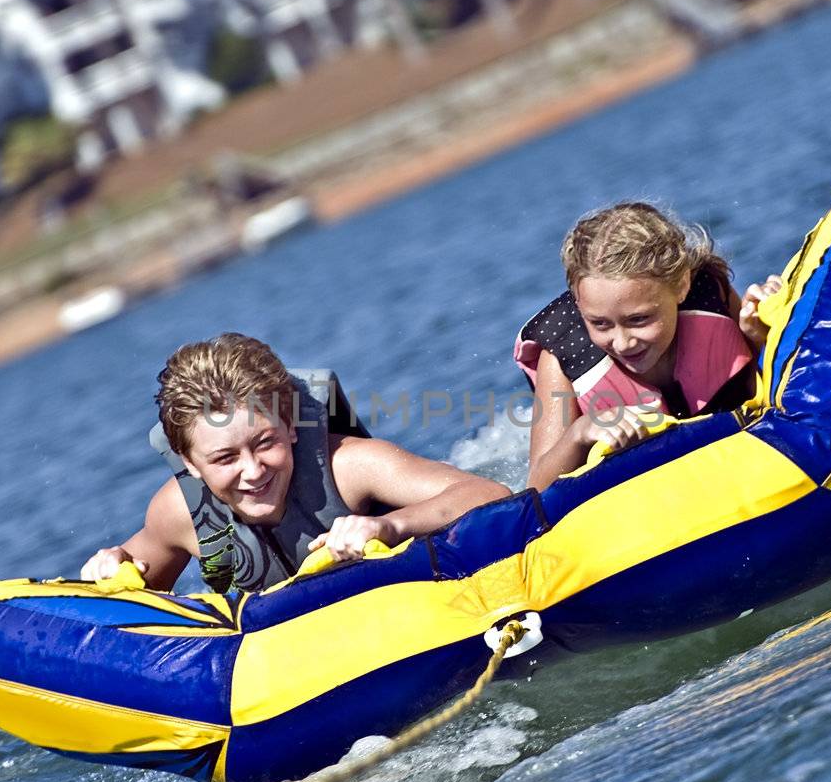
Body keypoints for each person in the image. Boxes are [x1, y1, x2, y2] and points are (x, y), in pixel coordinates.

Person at [81, 333, 510, 595]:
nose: (253, 470)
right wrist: (109, 568)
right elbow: (126, 596)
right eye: (225, 458)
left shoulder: (350, 467)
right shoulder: (179, 515)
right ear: (190, 463)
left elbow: (491, 494)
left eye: (264, 442)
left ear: (289, 426)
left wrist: (388, 526)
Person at [515, 202, 783, 491]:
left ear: (681, 286)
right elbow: (536, 487)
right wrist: (580, 432)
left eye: (639, 319)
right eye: (600, 324)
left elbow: (759, 390)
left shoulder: (709, 296)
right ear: (579, 307)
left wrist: (760, 335)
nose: (623, 342)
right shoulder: (562, 355)